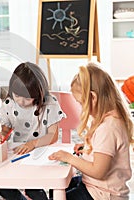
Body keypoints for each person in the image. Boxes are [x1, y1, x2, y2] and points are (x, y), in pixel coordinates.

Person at [49, 62, 133, 200]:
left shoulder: (108, 127)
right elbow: (106, 150)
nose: (81, 108)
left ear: (93, 98)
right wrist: (89, 148)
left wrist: (69, 158)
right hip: (98, 187)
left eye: (81, 103)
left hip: (102, 194)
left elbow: (98, 171)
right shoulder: (111, 119)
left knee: (59, 194)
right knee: (58, 188)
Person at [0, 62, 66, 200]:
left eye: (27, 98)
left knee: (35, 189)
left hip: (40, 152)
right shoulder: (9, 103)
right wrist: (0, 135)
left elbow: (53, 136)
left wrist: (32, 144)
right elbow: (5, 130)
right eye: (17, 96)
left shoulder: (49, 103)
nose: (21, 101)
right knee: (4, 188)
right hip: (17, 153)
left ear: (39, 93)